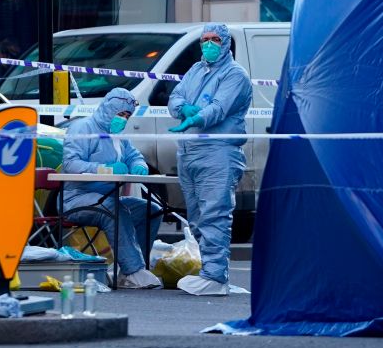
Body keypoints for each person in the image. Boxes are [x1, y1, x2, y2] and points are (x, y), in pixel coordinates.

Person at [168, 23, 253, 296]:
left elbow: (218, 109)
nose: (208, 44)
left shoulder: (235, 75)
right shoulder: (196, 69)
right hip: (189, 152)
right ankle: (212, 271)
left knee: (214, 214)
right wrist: (183, 108)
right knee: (196, 216)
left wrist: (194, 118)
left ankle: (215, 276)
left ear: (226, 43)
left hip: (218, 152)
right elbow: (175, 97)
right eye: (204, 39)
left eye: (215, 39)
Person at [62, 87, 162, 289]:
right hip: (75, 199)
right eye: (121, 114)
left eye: (127, 115)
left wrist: (139, 166)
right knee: (113, 210)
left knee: (151, 210)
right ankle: (133, 270)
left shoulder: (118, 136)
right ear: (108, 109)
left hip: (106, 198)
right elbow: (70, 163)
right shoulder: (82, 128)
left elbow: (134, 155)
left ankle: (130, 267)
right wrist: (104, 169)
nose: (123, 119)